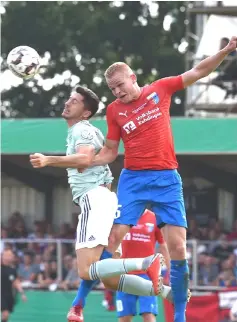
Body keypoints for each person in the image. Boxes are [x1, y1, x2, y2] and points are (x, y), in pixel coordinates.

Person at [88, 36, 237, 322]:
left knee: (179, 247)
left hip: (167, 177)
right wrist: (86, 162)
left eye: (121, 85)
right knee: (112, 239)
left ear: (133, 78)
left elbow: (198, 72)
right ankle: (100, 289)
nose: (117, 92)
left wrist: (226, 51)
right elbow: (109, 151)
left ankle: (178, 315)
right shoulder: (113, 111)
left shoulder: (161, 89)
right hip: (133, 179)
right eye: (112, 88)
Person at [29, 86, 173, 322]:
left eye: (74, 101)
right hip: (106, 201)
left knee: (86, 269)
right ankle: (165, 292)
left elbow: (84, 158)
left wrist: (48, 160)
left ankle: (146, 262)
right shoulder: (83, 130)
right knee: (111, 278)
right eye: (69, 98)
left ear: (85, 113)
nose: (67, 103)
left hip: (94, 199)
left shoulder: (81, 130)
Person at [116, 209, 170, 322]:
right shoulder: (122, 214)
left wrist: (171, 271)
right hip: (124, 274)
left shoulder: (155, 218)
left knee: (149, 315)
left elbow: (163, 246)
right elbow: (112, 242)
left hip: (148, 275)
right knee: (124, 318)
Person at [1, 249, 27, 322]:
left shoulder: (12, 270)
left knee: (6, 317)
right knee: (5, 314)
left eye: (11, 255)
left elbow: (16, 282)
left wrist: (22, 293)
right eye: (7, 255)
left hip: (8, 295)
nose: (9, 257)